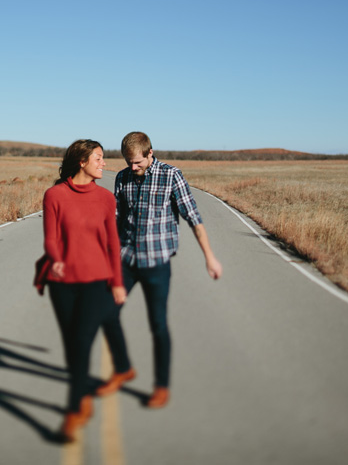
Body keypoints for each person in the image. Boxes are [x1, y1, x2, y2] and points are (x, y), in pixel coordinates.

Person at [97, 131, 222, 408]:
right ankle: (123, 369)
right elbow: (116, 221)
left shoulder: (171, 176)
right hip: (126, 260)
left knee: (158, 325)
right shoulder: (122, 178)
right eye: (128, 162)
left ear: (150, 153)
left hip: (156, 263)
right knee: (106, 313)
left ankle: (161, 386)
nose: (132, 168)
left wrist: (209, 257)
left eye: (137, 162)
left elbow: (194, 217)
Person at [39, 139, 127, 442]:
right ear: (82, 161)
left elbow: (113, 244)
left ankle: (74, 409)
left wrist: (117, 282)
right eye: (99, 158)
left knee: (82, 341)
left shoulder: (105, 198)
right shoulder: (54, 195)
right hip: (61, 285)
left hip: (96, 282)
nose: (104, 164)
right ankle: (82, 396)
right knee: (72, 347)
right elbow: (50, 237)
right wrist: (57, 259)